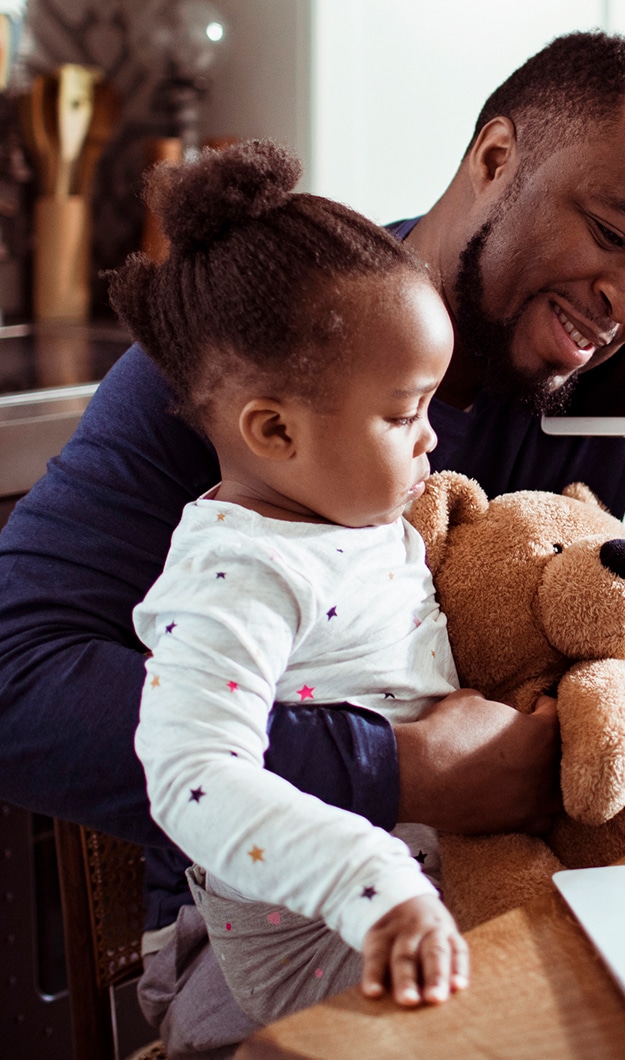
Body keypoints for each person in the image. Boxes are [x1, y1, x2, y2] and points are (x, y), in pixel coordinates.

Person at [0, 32, 625, 1056]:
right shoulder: (266, 356)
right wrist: (393, 767)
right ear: (495, 160)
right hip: (289, 926)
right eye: (610, 231)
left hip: (519, 875)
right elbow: (16, 683)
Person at [122, 140, 473, 1028]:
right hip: (320, 942)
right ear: (274, 431)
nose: (430, 439)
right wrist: (374, 882)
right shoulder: (238, 572)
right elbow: (193, 773)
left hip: (429, 892)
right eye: (403, 415)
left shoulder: (346, 518)